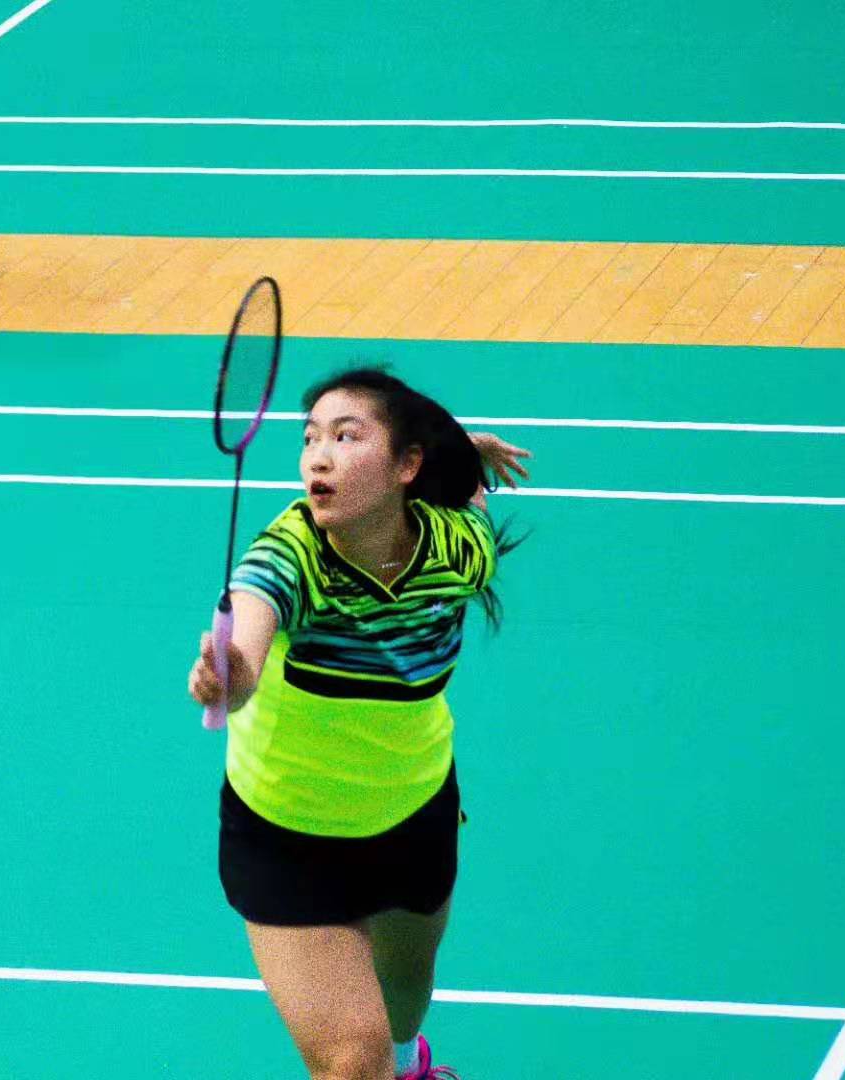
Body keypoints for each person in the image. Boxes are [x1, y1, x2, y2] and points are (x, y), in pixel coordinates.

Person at [188, 367, 530, 1080]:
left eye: (346, 437)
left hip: (412, 810)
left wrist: (460, 452)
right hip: (288, 833)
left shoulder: (457, 552)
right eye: (310, 439)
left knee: (404, 996)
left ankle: (410, 1064)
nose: (319, 457)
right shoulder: (288, 556)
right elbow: (250, 629)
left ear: (407, 465)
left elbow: (468, 498)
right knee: (353, 1059)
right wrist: (230, 671)